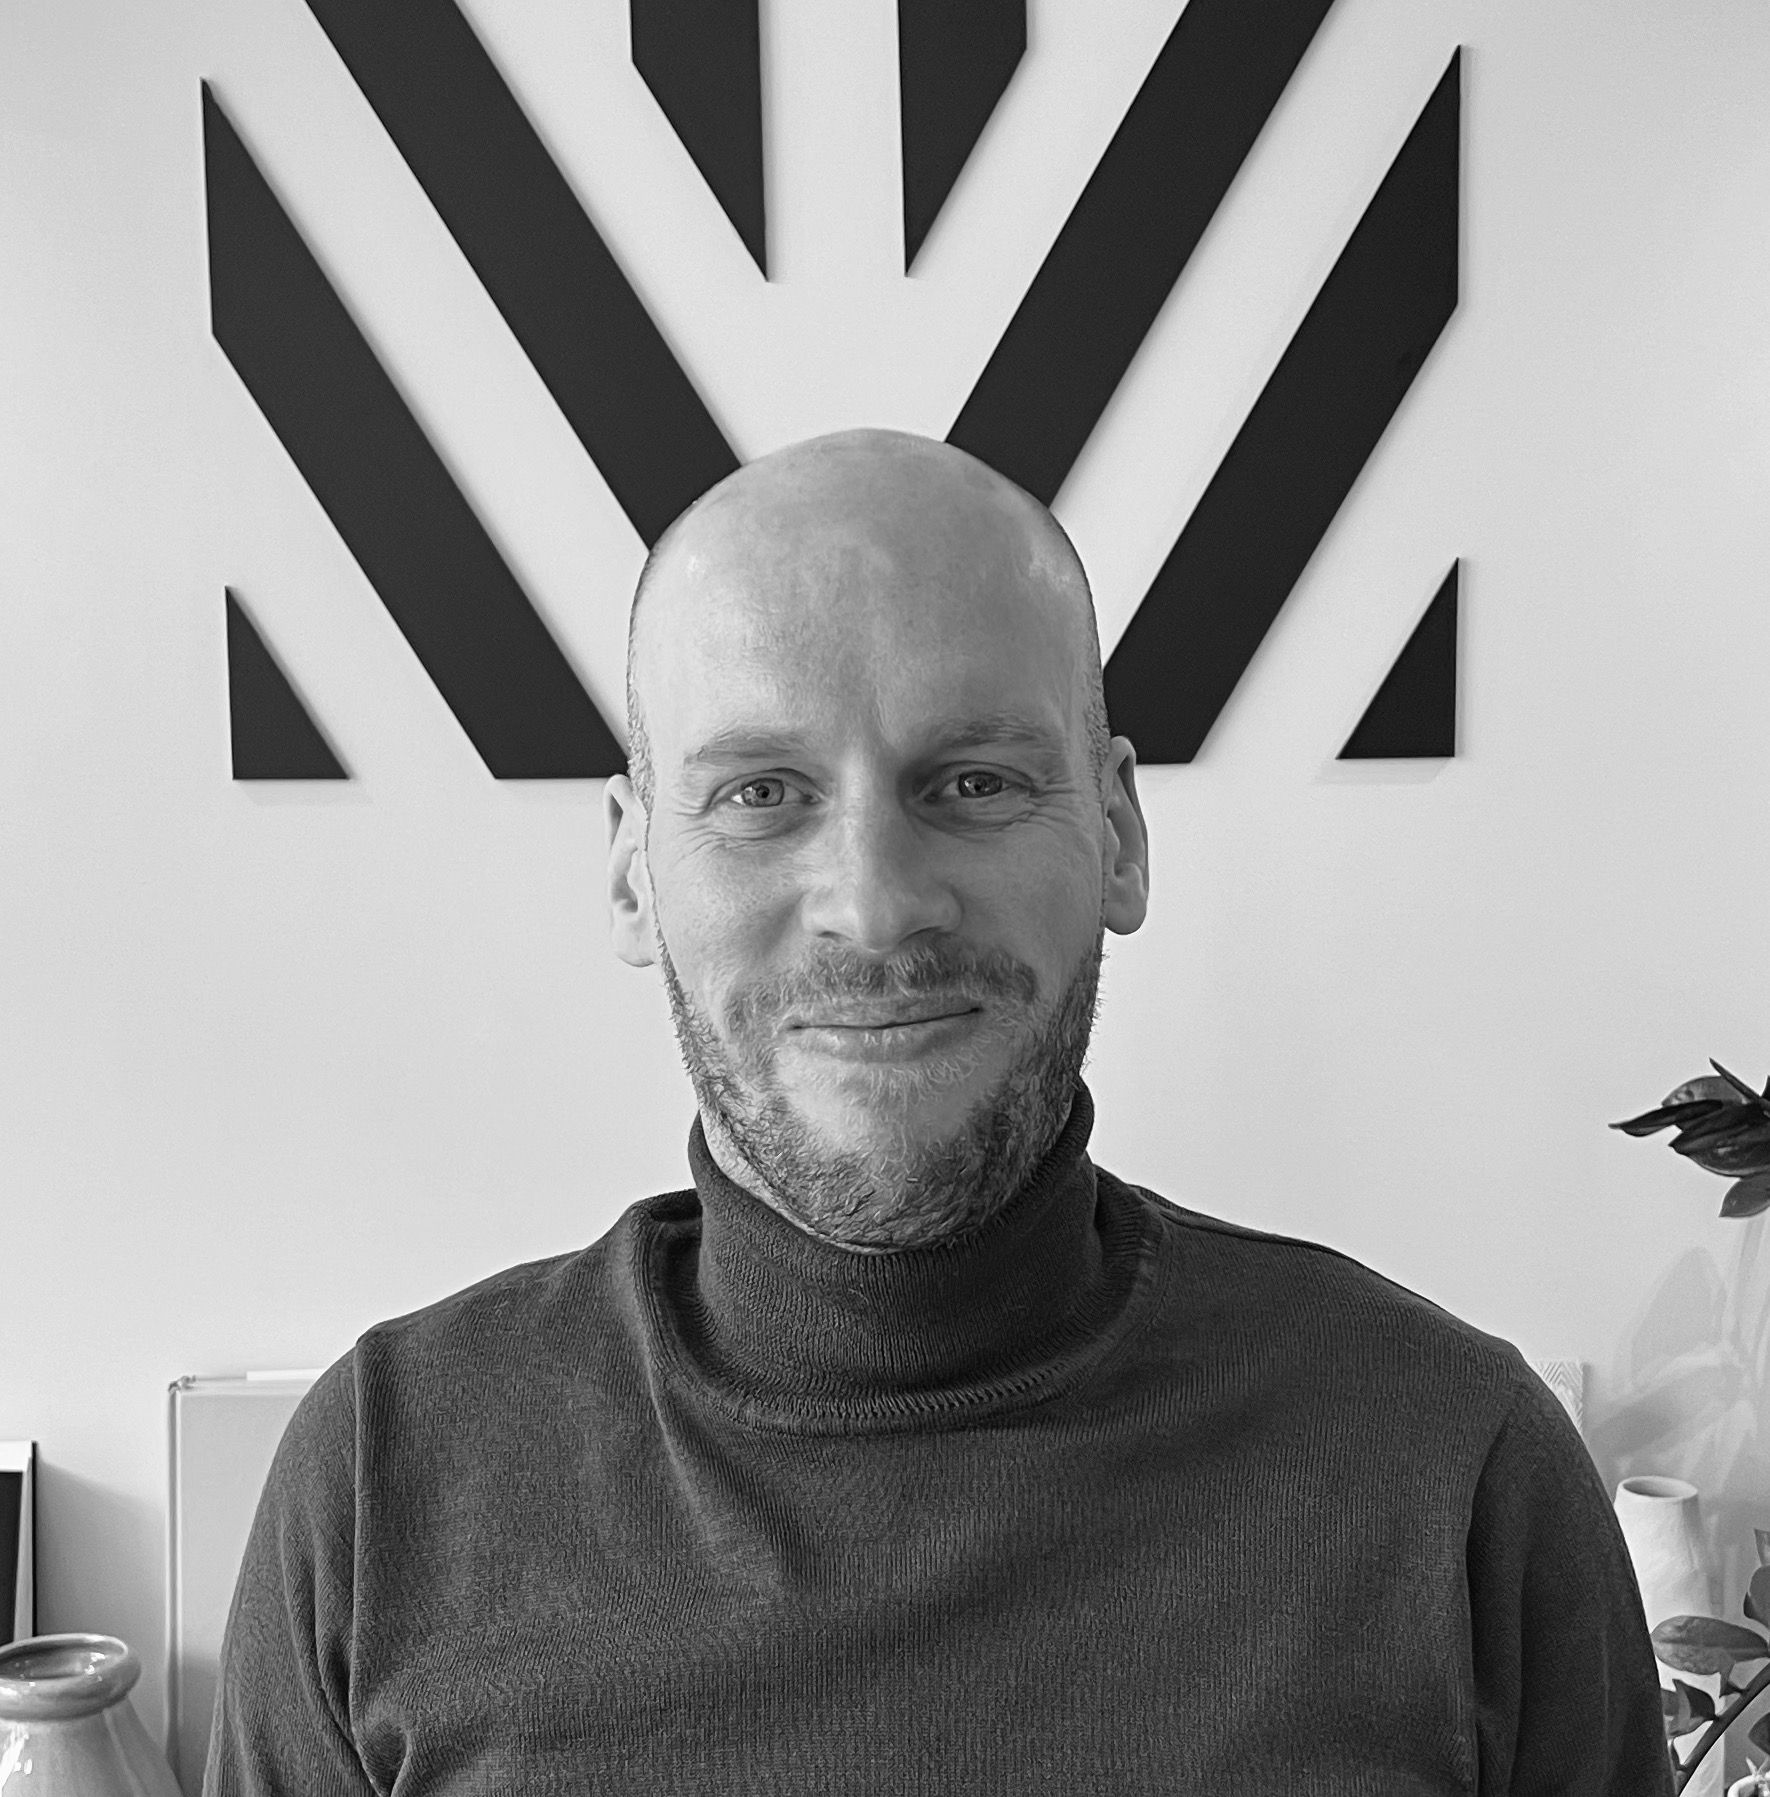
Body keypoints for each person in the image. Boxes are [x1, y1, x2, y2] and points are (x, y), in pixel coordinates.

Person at [206, 429, 1673, 1795]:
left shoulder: (1455, 1470)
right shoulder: (383, 1488)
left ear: (1117, 834)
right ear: (634, 872)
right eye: (761, 793)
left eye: (971, 781)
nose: (873, 903)